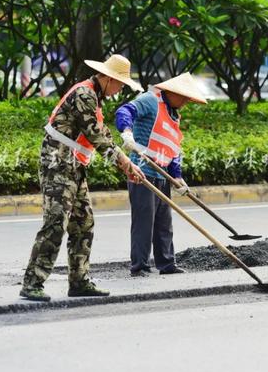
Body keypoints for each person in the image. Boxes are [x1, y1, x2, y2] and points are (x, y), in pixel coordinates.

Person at [20, 54, 146, 302]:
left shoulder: (95, 98)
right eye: (120, 84)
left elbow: (104, 135)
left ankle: (78, 281)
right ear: (108, 78)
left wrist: (127, 164)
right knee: (56, 222)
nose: (120, 89)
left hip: (75, 164)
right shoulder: (85, 95)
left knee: (83, 222)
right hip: (58, 163)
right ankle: (32, 282)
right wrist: (125, 164)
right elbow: (97, 137)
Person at [115, 73, 207, 276]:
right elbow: (125, 111)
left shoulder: (173, 114)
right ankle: (140, 266)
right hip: (142, 172)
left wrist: (177, 176)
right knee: (144, 222)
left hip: (162, 174)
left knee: (164, 223)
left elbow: (172, 147)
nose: (185, 102)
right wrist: (126, 132)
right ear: (172, 92)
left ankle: (166, 264)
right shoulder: (150, 100)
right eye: (183, 97)